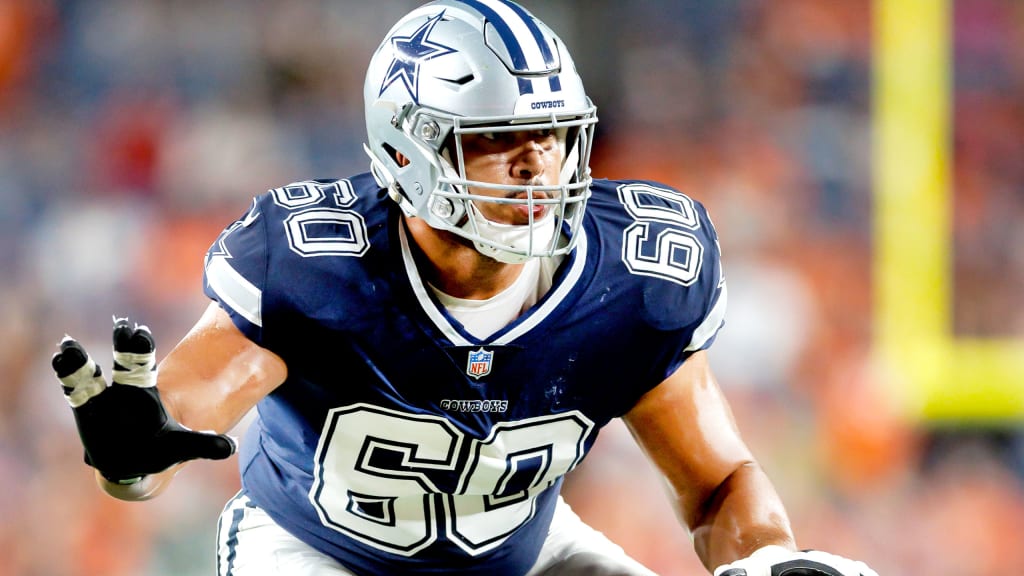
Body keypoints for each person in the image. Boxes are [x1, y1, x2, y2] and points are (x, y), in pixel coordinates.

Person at [51, 1, 879, 575]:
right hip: (314, 554)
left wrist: (770, 558)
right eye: (498, 138)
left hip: (524, 556)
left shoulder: (629, 279)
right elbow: (173, 423)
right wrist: (134, 452)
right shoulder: (322, 269)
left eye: (552, 135)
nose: (536, 163)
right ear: (411, 151)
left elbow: (720, 485)